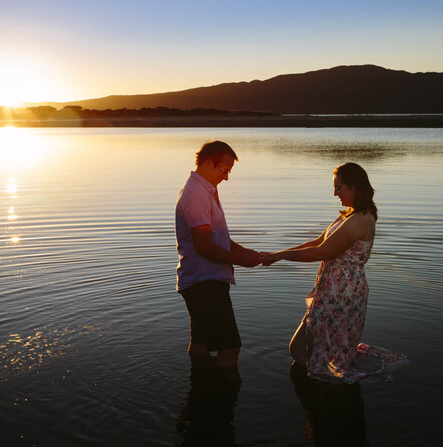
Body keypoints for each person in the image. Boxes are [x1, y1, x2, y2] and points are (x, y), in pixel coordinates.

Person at [262, 162, 408, 383]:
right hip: (332, 288)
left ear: (354, 187)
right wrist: (278, 252)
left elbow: (322, 251)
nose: (335, 193)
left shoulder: (359, 221)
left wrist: (280, 256)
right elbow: (318, 241)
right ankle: (320, 388)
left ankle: (323, 393)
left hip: (342, 292)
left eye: (339, 188)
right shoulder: (349, 215)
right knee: (311, 346)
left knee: (307, 348)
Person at [175, 140, 260, 380]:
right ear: (210, 163)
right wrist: (241, 261)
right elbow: (203, 246)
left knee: (200, 341)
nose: (226, 178)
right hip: (204, 282)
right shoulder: (196, 194)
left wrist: (244, 252)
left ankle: (200, 389)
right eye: (225, 170)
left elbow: (217, 238)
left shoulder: (205, 190)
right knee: (229, 346)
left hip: (203, 280)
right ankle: (223, 397)